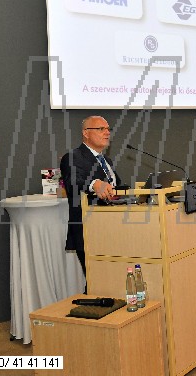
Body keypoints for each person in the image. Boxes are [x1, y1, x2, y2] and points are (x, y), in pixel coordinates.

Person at [60, 115, 120, 277]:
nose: (107, 132)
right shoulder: (72, 157)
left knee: (112, 279)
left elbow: (115, 187)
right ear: (86, 133)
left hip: (112, 227)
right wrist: (94, 184)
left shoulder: (106, 160)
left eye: (108, 129)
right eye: (101, 129)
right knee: (97, 280)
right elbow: (73, 181)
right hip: (89, 229)